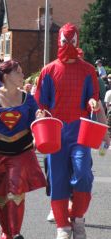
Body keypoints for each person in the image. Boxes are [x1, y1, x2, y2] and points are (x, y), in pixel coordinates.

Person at [34, 23, 100, 239]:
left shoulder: (88, 70)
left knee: (83, 175)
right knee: (58, 179)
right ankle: (62, 225)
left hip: (80, 131)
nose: (68, 46)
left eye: (72, 41)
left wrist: (93, 102)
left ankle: (77, 218)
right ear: (59, 41)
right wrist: (41, 115)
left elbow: (94, 97)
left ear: (77, 41)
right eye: (65, 41)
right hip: (55, 132)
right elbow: (41, 104)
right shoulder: (48, 70)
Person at [0, 60, 46, 239]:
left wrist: (39, 120)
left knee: (16, 193)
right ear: (6, 76)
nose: (23, 76)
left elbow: (36, 121)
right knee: (0, 197)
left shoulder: (28, 98)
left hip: (21, 152)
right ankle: (6, 232)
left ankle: (15, 233)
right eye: (19, 72)